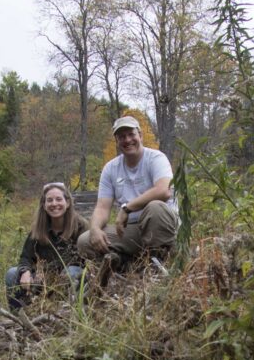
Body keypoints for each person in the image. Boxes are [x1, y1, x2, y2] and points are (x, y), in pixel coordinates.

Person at [77, 116, 179, 284]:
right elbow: (102, 207)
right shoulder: (111, 168)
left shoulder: (156, 158)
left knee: (155, 208)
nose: (127, 140)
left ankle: (160, 266)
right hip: (132, 229)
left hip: (162, 225)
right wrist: (95, 228)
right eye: (121, 137)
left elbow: (164, 190)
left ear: (140, 135)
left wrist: (126, 208)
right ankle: (125, 266)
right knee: (85, 241)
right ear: (117, 141)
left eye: (131, 134)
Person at [5, 183, 87, 312]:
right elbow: (26, 257)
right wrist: (25, 271)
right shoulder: (38, 228)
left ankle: (67, 314)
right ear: (44, 205)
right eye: (49, 200)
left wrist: (48, 272)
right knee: (11, 274)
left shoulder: (81, 226)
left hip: (70, 276)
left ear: (68, 202)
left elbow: (86, 261)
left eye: (59, 199)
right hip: (42, 280)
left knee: (71, 272)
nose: (54, 204)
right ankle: (19, 315)